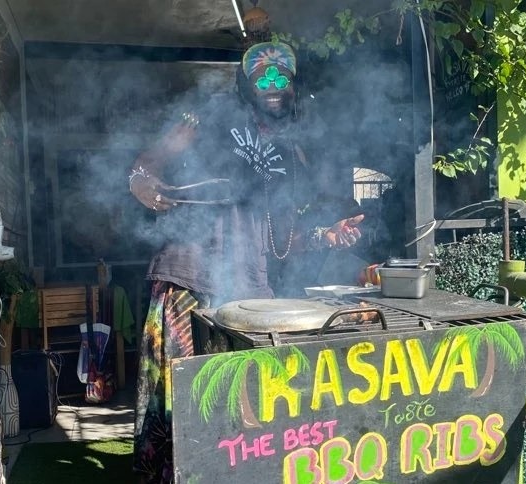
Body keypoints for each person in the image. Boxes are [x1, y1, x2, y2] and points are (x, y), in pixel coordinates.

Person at [128, 41, 364, 483]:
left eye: (281, 78)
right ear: (245, 85)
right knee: (176, 402)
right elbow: (150, 161)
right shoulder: (210, 118)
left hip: (247, 296)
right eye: (262, 78)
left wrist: (327, 236)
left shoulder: (293, 160)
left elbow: (282, 242)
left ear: (293, 88)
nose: (272, 86)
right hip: (190, 279)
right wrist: (141, 181)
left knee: (234, 408)